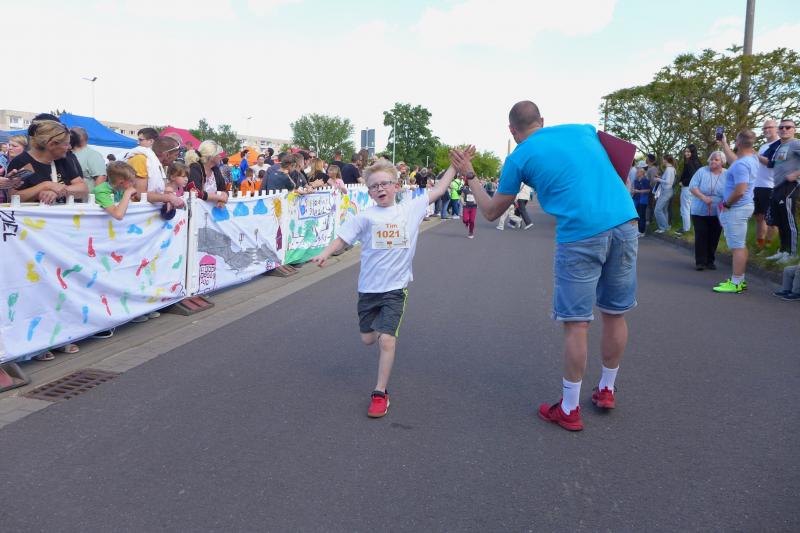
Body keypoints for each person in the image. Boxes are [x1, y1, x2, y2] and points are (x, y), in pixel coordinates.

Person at [450, 100, 639, 432]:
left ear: (512, 130)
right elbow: (621, 162)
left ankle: (569, 408)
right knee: (615, 313)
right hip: (625, 221)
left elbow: (491, 211)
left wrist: (470, 175)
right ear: (542, 120)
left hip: (581, 232)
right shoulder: (582, 130)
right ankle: (607, 389)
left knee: (577, 323)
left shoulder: (518, 157)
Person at [310, 158, 459, 418]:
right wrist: (325, 253)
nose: (380, 189)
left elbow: (438, 189)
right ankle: (380, 330)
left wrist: (455, 166)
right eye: (374, 186)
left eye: (385, 183)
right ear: (369, 192)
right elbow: (342, 238)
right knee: (368, 339)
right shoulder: (365, 217)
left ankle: (380, 393)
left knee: (387, 340)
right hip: (368, 289)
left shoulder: (409, 209)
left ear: (396, 186)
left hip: (395, 289)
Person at [713, 130, 759, 294]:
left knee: (737, 246)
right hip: (744, 206)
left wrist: (726, 204)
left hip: (736, 208)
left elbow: (740, 190)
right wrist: (724, 144)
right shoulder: (751, 159)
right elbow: (735, 161)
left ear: (738, 143)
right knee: (740, 244)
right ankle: (739, 279)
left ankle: (736, 282)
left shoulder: (742, 164)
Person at [6, 120, 88, 205]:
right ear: (51, 145)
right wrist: (45, 186)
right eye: (66, 144)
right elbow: (12, 197)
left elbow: (83, 189)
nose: (70, 147)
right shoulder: (21, 162)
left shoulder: (63, 159)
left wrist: (59, 192)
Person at [764, 118, 800, 262]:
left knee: (788, 220)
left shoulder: (796, 143)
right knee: (780, 220)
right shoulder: (780, 146)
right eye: (781, 127)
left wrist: (796, 174)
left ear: (794, 129)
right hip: (778, 187)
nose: (784, 129)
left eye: (788, 127)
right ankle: (783, 251)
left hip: (790, 185)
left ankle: (792, 254)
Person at [688, 151, 727, 270]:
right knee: (701, 234)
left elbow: (731, 190)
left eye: (716, 159)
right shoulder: (701, 171)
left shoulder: (727, 174)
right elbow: (692, 187)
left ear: (722, 162)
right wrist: (703, 197)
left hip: (718, 211)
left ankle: (710, 260)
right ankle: (700, 262)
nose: (713, 161)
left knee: (714, 235)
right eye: (711, 159)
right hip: (699, 209)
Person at [126, 135, 185, 211]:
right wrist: (168, 198)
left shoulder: (157, 164)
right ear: (167, 155)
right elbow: (140, 194)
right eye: (175, 155)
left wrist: (168, 193)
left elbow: (157, 191)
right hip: (133, 212)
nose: (176, 158)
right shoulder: (140, 160)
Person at [753, 120, 781, 251]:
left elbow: (772, 163)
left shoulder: (780, 144)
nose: (766, 130)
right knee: (759, 217)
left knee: (771, 219)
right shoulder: (764, 146)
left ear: (776, 128)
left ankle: (769, 247)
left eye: (769, 127)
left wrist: (756, 156)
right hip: (758, 185)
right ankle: (760, 246)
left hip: (771, 186)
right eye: (764, 128)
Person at [186, 140, 230, 207]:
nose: (221, 156)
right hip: (195, 211)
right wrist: (219, 197)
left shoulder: (216, 170)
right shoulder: (195, 168)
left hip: (211, 212)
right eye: (218, 154)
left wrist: (224, 196)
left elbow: (223, 190)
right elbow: (195, 192)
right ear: (211, 156)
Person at [70, 126, 107, 193]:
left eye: (72, 134)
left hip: (86, 198)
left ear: (83, 138)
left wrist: (95, 197)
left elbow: (101, 178)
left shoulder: (93, 155)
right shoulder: (67, 153)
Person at [677, 145, 702, 234]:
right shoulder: (697, 162)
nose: (686, 153)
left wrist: (683, 182)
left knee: (685, 209)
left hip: (688, 188)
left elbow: (692, 176)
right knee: (692, 208)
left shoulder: (689, 163)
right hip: (695, 189)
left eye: (688, 152)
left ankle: (686, 228)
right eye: (685, 151)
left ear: (692, 152)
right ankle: (693, 228)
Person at [653, 154, 676, 233]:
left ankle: (663, 227)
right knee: (664, 209)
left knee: (657, 210)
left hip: (666, 191)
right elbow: (668, 180)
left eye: (663, 159)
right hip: (667, 191)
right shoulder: (671, 168)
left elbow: (668, 182)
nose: (662, 161)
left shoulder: (669, 169)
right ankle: (666, 227)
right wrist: (660, 177)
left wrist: (658, 179)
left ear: (666, 160)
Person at [631, 161, 650, 236]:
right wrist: (633, 191)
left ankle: (642, 231)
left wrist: (638, 191)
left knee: (641, 215)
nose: (636, 173)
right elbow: (634, 189)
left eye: (638, 172)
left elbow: (648, 190)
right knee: (635, 215)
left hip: (643, 200)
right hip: (636, 199)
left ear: (642, 173)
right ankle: (635, 229)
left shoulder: (645, 180)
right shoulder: (636, 180)